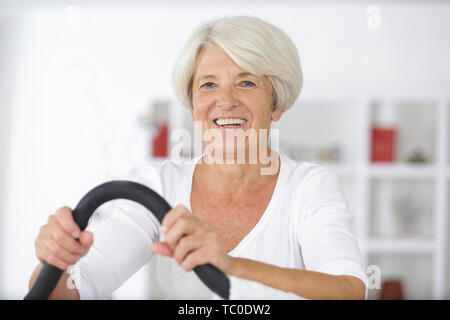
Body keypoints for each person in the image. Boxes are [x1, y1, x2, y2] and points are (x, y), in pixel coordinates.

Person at [28, 15, 367, 300]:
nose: (226, 100)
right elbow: (75, 289)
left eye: (246, 82)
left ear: (276, 104)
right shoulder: (160, 186)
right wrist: (53, 261)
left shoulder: (309, 188)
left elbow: (349, 290)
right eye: (208, 85)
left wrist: (230, 267)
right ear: (192, 107)